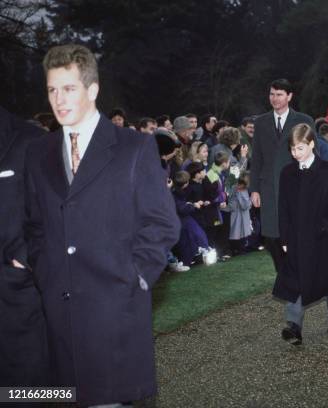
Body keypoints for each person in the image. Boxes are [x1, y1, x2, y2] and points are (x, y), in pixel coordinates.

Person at [23, 44, 180, 407]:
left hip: (116, 311)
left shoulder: (134, 148)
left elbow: (162, 224)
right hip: (59, 317)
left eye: (69, 88)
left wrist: (136, 275)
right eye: (52, 90)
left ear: (92, 90)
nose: (58, 100)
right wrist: (44, 270)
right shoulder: (37, 152)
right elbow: (34, 223)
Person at [274, 123, 328, 345]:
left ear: (312, 144)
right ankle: (294, 326)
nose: (296, 154)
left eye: (300, 148)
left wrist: (327, 226)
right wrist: (284, 238)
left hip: (322, 237)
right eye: (293, 149)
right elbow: (283, 208)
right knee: (296, 279)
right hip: (297, 238)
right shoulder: (287, 173)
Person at [0, 107, 49, 388]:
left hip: (16, 299)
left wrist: (23, 258)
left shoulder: (32, 141)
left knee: (24, 393)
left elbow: (59, 210)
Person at [250, 78, 315, 273]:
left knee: (296, 231)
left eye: (279, 94)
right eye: (272, 94)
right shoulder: (260, 122)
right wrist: (254, 189)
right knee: (272, 235)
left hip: (296, 186)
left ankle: (299, 274)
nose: (275, 98)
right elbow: (257, 159)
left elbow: (314, 156)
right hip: (269, 188)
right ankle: (284, 275)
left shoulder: (304, 120)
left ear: (289, 96)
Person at [228, 173, 253, 255]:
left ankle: (237, 249)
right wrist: (250, 202)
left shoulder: (234, 187)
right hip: (238, 213)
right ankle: (239, 249)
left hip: (235, 212)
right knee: (239, 232)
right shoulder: (241, 190)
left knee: (237, 231)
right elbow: (244, 205)